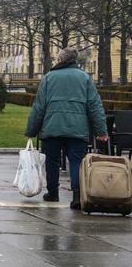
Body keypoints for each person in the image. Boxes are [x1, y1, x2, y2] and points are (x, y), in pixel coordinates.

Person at [24, 47, 109, 209]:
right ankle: (77, 196)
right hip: (77, 129)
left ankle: (53, 193)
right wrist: (101, 131)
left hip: (52, 127)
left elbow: (39, 107)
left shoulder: (49, 78)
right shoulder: (84, 78)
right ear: (74, 60)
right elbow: (95, 106)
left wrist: (31, 130)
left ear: (60, 60)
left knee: (52, 160)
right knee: (76, 161)